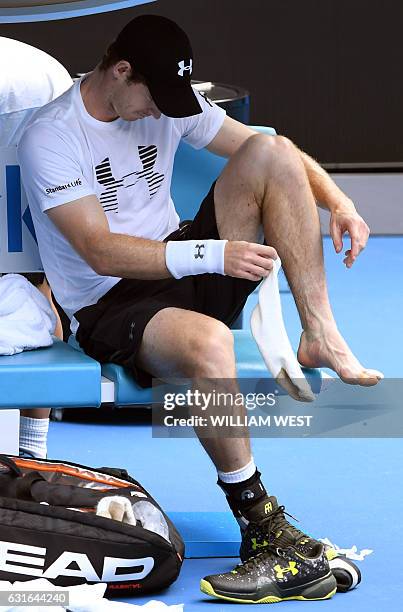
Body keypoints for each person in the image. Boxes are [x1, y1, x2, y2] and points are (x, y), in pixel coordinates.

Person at [18, 15, 381, 603]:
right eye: (153, 98)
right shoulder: (52, 134)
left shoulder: (167, 102)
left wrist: (339, 202)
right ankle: (260, 523)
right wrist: (212, 253)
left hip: (186, 262)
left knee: (272, 152)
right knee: (210, 343)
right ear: (120, 71)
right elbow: (97, 249)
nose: (163, 113)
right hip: (111, 302)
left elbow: (272, 150)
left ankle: (319, 331)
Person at [0, 36, 72, 458]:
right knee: (35, 283)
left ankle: (34, 455)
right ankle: (34, 456)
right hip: (43, 89)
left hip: (36, 103)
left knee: (37, 283)